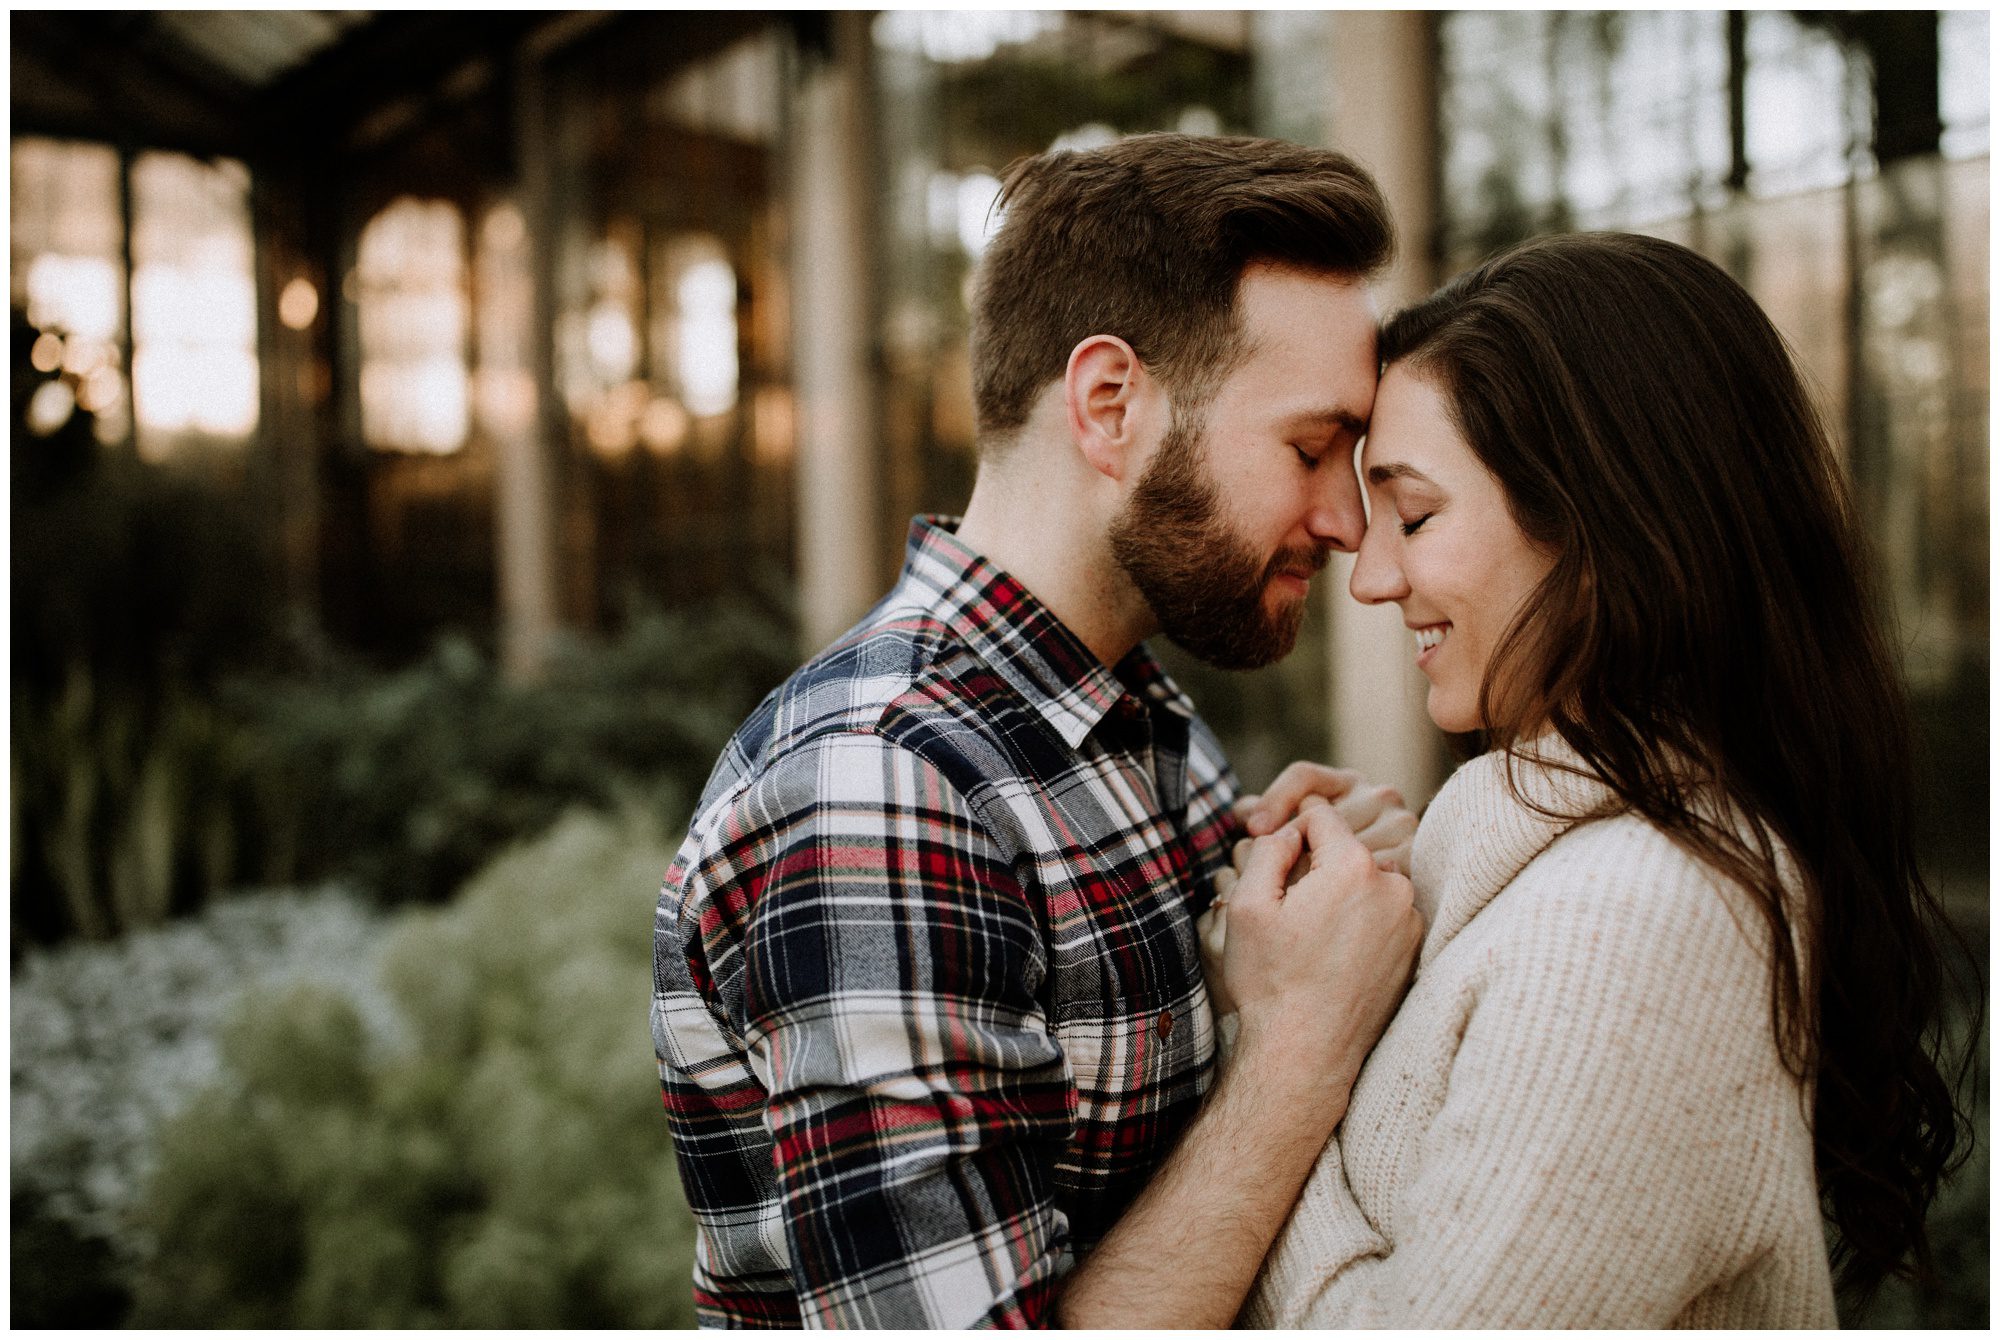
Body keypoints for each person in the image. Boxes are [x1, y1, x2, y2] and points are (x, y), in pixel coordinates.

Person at [650, 133, 1426, 1329]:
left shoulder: (1136, 719)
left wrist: (1279, 890)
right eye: (1310, 447)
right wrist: (1298, 1039)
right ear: (1109, 404)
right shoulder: (879, 788)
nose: (1342, 520)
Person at [1214, 231, 1968, 1327]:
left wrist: (1276, 1034)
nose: (1371, 576)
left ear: (1605, 523)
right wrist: (1394, 884)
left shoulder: (1634, 927)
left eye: (1414, 515)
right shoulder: (1568, 871)